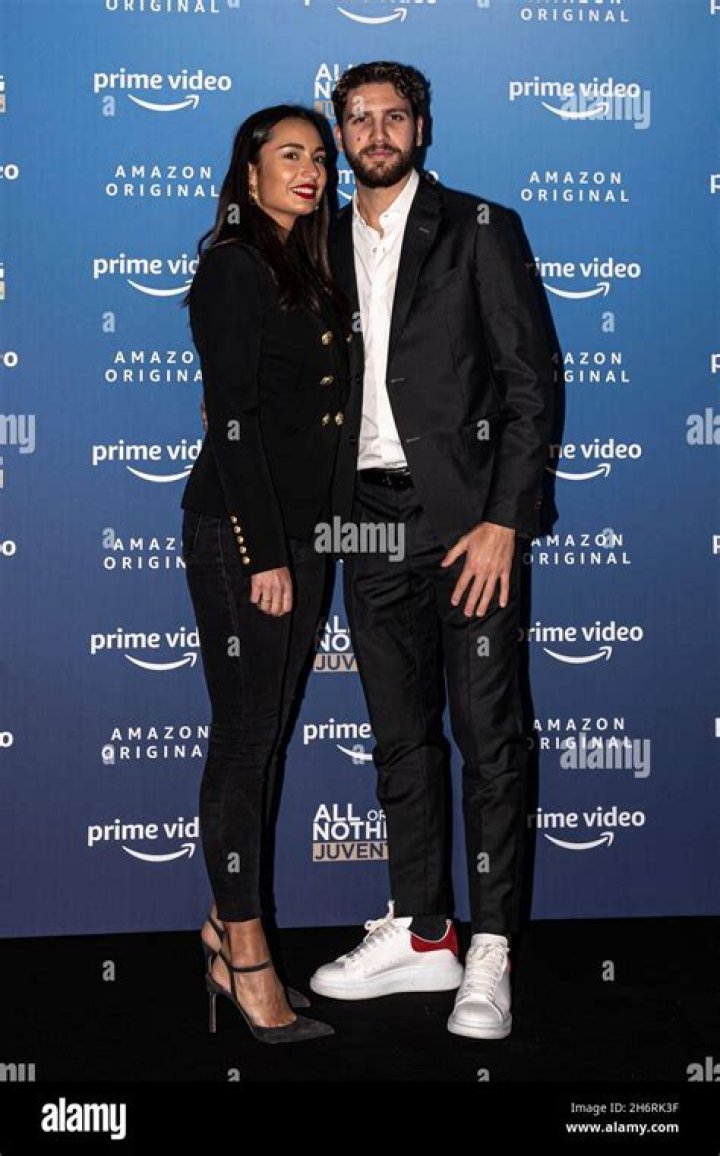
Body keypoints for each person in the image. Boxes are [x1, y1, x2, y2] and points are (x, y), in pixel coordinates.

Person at [308, 62, 555, 1040]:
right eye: (358, 118)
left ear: (423, 128)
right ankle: (422, 931)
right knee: (400, 737)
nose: (376, 132)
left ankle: (490, 946)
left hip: (467, 524)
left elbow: (532, 382)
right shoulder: (318, 242)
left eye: (394, 116)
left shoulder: (481, 228)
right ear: (339, 134)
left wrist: (504, 520)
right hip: (364, 520)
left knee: (489, 739)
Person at [181, 104, 349, 1043]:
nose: (310, 169)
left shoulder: (305, 269)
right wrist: (264, 552)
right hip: (245, 539)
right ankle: (246, 957)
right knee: (246, 744)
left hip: (305, 537)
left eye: (319, 156)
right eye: (290, 155)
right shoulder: (234, 266)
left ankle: (222, 926)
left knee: (265, 740)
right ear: (248, 174)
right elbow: (233, 419)